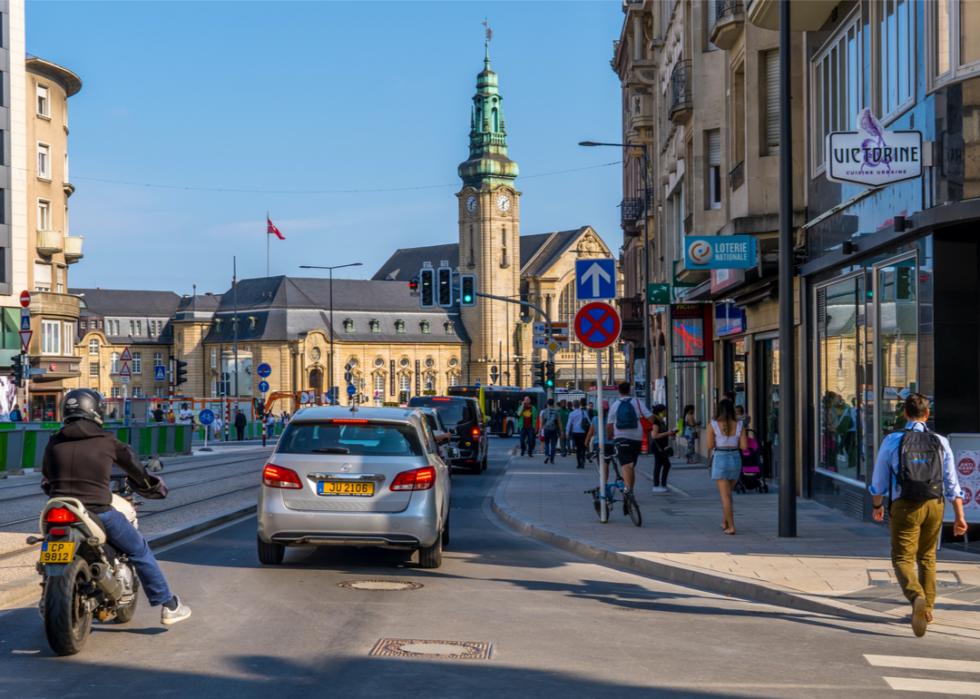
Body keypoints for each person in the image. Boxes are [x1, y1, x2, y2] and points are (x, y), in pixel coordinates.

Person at [40, 389, 191, 625]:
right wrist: (149, 484)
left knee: (45, 551)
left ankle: (46, 588)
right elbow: (136, 470)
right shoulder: (107, 441)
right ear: (95, 410)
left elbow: (47, 477)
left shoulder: (54, 441)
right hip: (98, 511)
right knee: (139, 549)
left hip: (58, 509)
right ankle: (169, 604)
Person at [869, 393, 967, 637]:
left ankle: (916, 597)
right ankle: (929, 608)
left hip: (904, 505)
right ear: (927, 414)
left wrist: (877, 504)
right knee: (927, 557)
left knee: (902, 558)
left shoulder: (892, 440)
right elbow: (952, 482)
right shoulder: (940, 441)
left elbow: (878, 479)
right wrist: (959, 516)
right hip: (935, 504)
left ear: (904, 414)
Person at [707, 398, 747, 535]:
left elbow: (709, 445)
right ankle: (725, 522)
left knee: (725, 496)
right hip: (735, 458)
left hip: (721, 457)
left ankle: (732, 526)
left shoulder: (713, 424)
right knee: (729, 494)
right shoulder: (740, 425)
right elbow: (744, 446)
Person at [606, 382, 653, 498]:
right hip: (636, 437)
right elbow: (650, 417)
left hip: (620, 437)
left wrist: (610, 436)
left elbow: (609, 425)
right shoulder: (637, 402)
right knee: (631, 465)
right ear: (629, 390)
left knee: (626, 465)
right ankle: (630, 490)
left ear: (619, 391)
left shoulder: (615, 404)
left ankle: (628, 490)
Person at [650, 404, 676, 493]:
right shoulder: (656, 421)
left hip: (662, 446)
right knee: (658, 465)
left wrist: (671, 433)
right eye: (664, 411)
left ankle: (663, 485)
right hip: (657, 446)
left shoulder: (661, 421)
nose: (666, 412)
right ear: (660, 412)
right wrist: (668, 433)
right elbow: (654, 435)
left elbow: (664, 433)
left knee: (666, 465)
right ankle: (656, 485)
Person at [566, 399, 592, 469]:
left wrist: (567, 433)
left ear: (573, 406)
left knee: (577, 448)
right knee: (583, 447)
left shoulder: (571, 413)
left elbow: (569, 424)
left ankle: (579, 463)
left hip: (575, 432)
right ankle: (583, 461)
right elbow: (589, 422)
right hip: (583, 433)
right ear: (579, 405)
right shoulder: (584, 412)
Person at [539, 398, 562, 464]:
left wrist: (540, 431)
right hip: (554, 430)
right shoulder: (557, 412)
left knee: (546, 443)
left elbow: (542, 422)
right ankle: (552, 459)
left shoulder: (544, 411)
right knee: (553, 445)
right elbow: (559, 422)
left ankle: (547, 455)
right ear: (553, 403)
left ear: (547, 404)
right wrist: (561, 431)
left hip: (546, 429)